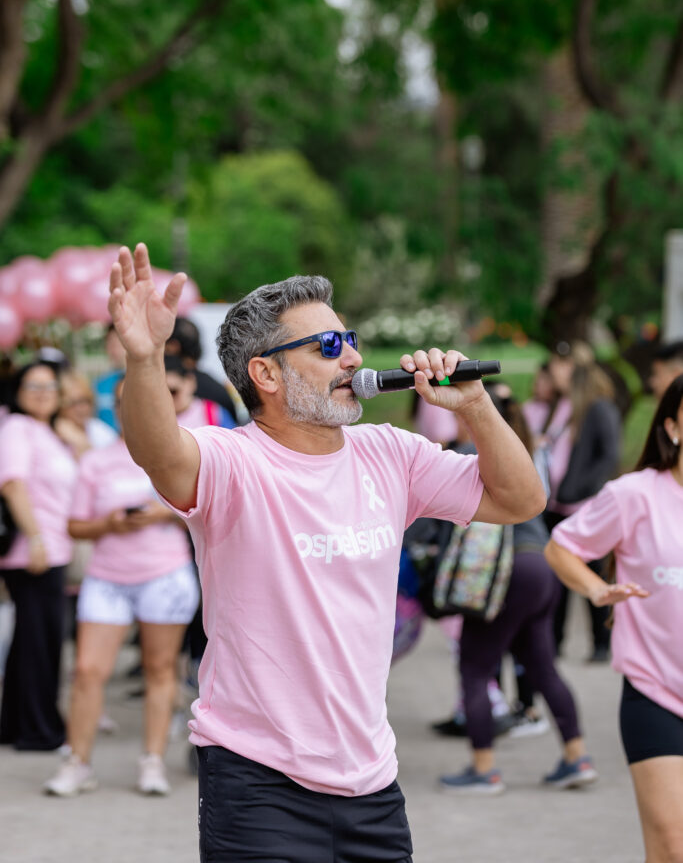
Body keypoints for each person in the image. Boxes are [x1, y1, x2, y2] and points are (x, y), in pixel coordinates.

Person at [106, 243, 545, 863]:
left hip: (371, 781)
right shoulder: (233, 461)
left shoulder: (390, 452)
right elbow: (158, 452)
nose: (354, 358)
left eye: (351, 340)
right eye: (329, 346)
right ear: (266, 375)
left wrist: (475, 405)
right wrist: (145, 357)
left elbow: (521, 499)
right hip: (257, 781)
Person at [545, 374, 683, 863]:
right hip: (657, 692)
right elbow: (561, 546)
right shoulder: (635, 495)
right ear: (672, 428)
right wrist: (597, 590)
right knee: (671, 847)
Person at [44, 376, 200, 797]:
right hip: (107, 578)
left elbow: (207, 509)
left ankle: (152, 761)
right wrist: (110, 523)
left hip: (164, 574)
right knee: (87, 670)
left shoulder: (177, 454)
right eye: (122, 401)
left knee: (160, 669)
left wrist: (163, 513)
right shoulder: (96, 461)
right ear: (114, 409)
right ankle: (77, 763)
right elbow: (75, 526)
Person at [440, 389, 596, 794]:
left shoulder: (468, 451)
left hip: (504, 571)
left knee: (475, 668)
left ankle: (484, 769)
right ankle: (577, 757)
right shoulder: (519, 449)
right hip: (541, 566)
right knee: (542, 667)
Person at [0, 361, 79, 750]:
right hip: (32, 551)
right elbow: (12, 485)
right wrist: (34, 539)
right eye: (33, 386)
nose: (42, 393)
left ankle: (16, 725)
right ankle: (39, 730)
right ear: (18, 391)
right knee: (40, 643)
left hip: (53, 547)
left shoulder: (50, 431)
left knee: (33, 640)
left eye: (49, 386)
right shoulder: (17, 427)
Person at [545, 340, 621, 659]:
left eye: (559, 364)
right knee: (558, 575)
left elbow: (609, 456)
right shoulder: (561, 405)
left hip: (583, 505)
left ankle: (602, 644)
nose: (553, 371)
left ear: (575, 369)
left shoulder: (598, 407)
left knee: (593, 575)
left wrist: (581, 488)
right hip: (556, 504)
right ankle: (555, 641)